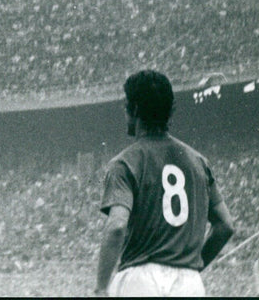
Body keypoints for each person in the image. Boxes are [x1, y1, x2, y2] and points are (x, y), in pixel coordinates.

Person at [95, 69, 234, 297]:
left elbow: (117, 226)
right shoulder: (199, 162)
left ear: (135, 109)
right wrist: (195, 264)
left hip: (140, 279)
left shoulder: (125, 162)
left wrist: (101, 287)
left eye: (126, 106)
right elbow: (225, 225)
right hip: (189, 282)